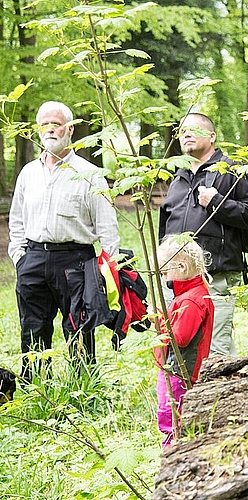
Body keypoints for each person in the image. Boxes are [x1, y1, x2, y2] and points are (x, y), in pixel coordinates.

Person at [8, 101, 120, 382]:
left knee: (79, 328)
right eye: (44, 125)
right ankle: (36, 388)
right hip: (32, 259)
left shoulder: (89, 174)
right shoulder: (28, 174)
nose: (49, 130)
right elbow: (17, 221)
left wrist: (108, 271)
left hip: (76, 261)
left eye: (55, 124)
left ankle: (84, 388)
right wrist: (19, 257)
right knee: (32, 328)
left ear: (70, 129)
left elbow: (108, 227)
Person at [158, 112, 248, 356]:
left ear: (212, 136)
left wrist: (217, 202)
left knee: (216, 348)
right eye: (183, 132)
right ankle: (183, 395)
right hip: (175, 283)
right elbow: (166, 224)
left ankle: (221, 394)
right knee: (177, 347)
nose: (187, 135)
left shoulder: (232, 171)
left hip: (216, 277)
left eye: (194, 130)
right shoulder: (179, 176)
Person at [154, 235, 213, 448]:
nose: (165, 278)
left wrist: (161, 318)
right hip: (176, 369)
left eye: (165, 272)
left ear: (181, 266)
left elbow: (181, 338)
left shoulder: (190, 300)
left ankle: (173, 451)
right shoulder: (189, 295)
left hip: (179, 371)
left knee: (171, 414)